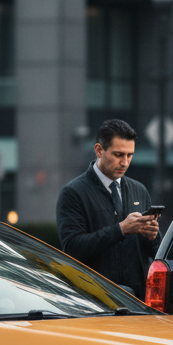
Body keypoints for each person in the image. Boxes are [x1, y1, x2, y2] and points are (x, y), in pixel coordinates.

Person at [56, 119, 161, 293]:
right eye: (118, 155)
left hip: (138, 300)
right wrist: (120, 230)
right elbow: (72, 248)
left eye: (130, 155)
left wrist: (154, 236)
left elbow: (155, 252)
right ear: (99, 150)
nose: (125, 162)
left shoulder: (139, 190)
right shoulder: (73, 193)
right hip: (95, 299)